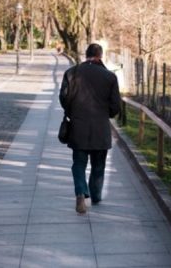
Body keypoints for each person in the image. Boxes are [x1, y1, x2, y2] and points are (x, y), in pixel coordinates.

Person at [59, 43, 121, 214]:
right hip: (101, 128)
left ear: (86, 55)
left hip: (78, 127)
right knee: (98, 165)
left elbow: (63, 97)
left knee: (78, 163)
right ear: (100, 56)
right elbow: (116, 106)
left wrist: (72, 111)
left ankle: (80, 192)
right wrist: (105, 113)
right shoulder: (110, 77)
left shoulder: (72, 73)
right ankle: (95, 195)